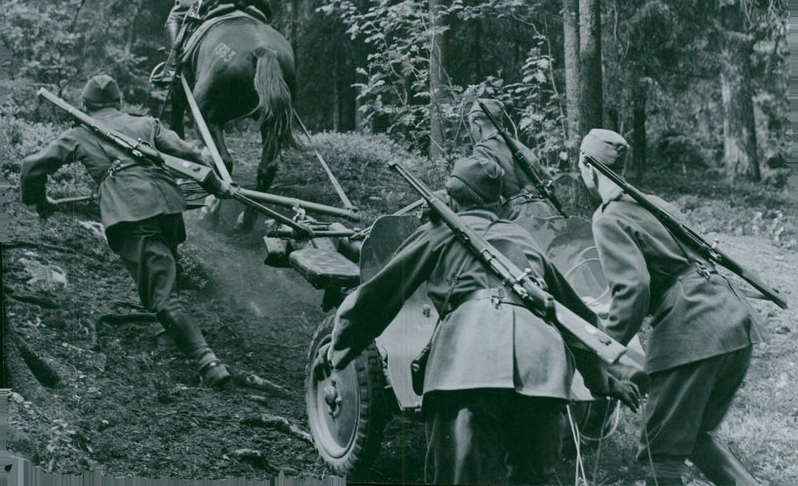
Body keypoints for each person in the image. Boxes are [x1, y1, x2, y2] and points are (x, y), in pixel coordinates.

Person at [315, 156, 640, 485]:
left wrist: (340, 344)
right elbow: (574, 316)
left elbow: (382, 292)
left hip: (468, 365)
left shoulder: (439, 232)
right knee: (536, 478)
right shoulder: (522, 237)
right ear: (499, 201)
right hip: (542, 369)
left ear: (452, 197)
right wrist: (603, 382)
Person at [578, 128, 766, 486]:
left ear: (588, 168)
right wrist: (605, 307)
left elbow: (634, 289)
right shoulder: (654, 203)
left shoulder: (607, 217)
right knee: (694, 436)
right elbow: (673, 265)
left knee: (659, 454)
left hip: (693, 328)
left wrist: (603, 349)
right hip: (731, 317)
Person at [21, 74, 231, 389]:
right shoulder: (146, 123)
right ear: (119, 103)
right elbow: (188, 153)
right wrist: (217, 180)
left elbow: (31, 167)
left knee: (161, 293)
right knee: (167, 274)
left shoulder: (79, 133)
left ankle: (208, 363)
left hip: (132, 210)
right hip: (168, 203)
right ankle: (169, 334)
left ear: (85, 105)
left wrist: (40, 200)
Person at [468, 98, 558, 221]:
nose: (472, 132)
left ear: (477, 122)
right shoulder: (520, 147)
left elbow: (485, 196)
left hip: (515, 218)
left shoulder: (482, 149)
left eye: (471, 126)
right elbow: (549, 181)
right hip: (545, 211)